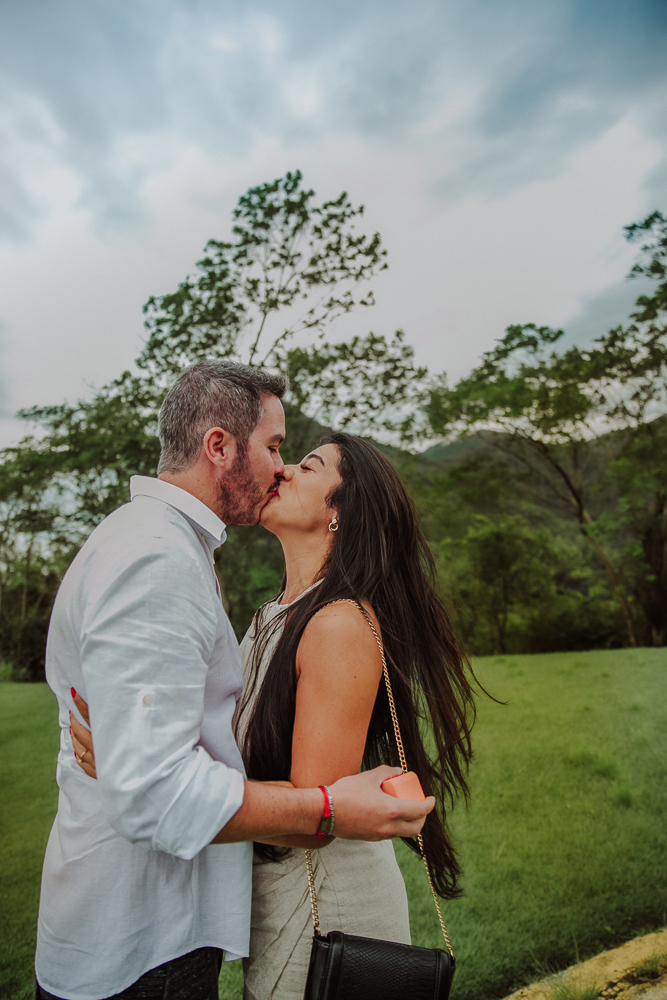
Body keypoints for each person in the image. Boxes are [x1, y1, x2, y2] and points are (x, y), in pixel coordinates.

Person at [35, 361, 433, 1000]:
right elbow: (190, 769)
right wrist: (138, 769)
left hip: (322, 908)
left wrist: (132, 767)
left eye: (302, 464)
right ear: (218, 446)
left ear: (341, 514)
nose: (281, 468)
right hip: (163, 923)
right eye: (279, 450)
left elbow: (298, 808)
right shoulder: (173, 563)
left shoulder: (331, 622)